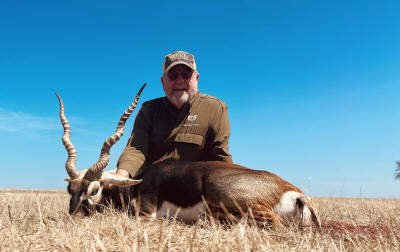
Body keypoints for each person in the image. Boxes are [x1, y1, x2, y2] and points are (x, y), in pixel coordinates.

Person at [116, 51, 232, 179]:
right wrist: (121, 175)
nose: (180, 81)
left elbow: (220, 158)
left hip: (194, 188)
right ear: (162, 81)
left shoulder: (215, 108)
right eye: (173, 75)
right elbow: (136, 149)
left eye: (186, 75)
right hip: (149, 187)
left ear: (196, 78)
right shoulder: (148, 110)